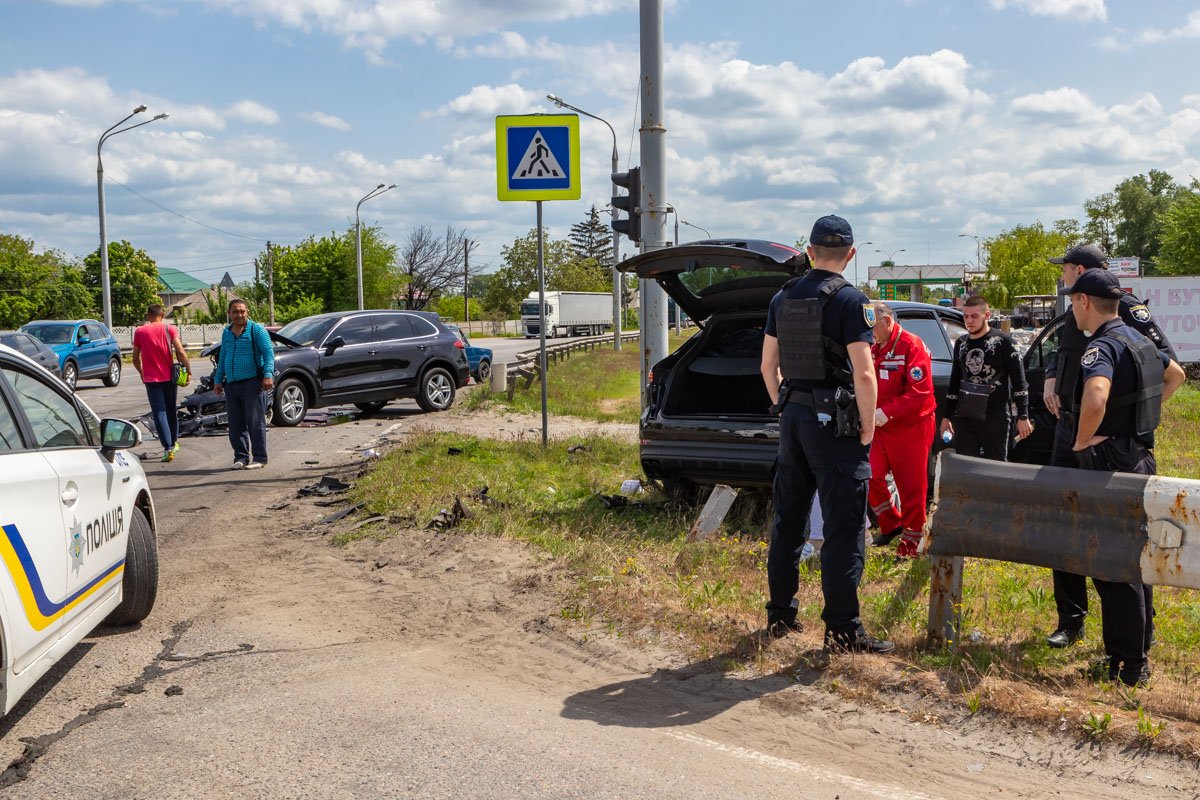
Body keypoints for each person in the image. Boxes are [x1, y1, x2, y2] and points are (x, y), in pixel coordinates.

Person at [760, 214, 893, 653]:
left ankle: (780, 614)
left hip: (793, 420)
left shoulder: (781, 297)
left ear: (810, 251)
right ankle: (843, 630)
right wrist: (867, 427)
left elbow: (767, 366)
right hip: (835, 426)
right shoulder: (853, 301)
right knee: (843, 526)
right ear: (851, 255)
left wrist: (784, 403)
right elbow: (865, 374)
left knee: (789, 520)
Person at [1042, 244, 1180, 649]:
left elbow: (1165, 365)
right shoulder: (1077, 313)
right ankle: (1071, 619)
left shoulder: (1124, 311)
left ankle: (1134, 634)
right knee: (1064, 523)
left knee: (1118, 541)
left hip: (1107, 439)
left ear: (1081, 272)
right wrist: (1050, 378)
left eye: (1065, 269)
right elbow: (1064, 353)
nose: (1063, 277)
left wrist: (1135, 416)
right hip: (1070, 429)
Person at [866, 302, 937, 558]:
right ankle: (891, 523)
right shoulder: (874, 346)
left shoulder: (911, 345)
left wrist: (887, 412)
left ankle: (911, 542)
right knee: (870, 474)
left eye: (871, 326)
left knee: (911, 487)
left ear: (887, 321)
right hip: (880, 425)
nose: (868, 332)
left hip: (911, 427)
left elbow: (921, 392)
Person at [941, 295, 1032, 461]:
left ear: (987, 315)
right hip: (966, 415)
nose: (969, 321)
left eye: (974, 316)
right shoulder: (961, 343)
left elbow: (1020, 382)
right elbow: (954, 383)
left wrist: (1023, 416)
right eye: (966, 316)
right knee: (966, 465)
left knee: (995, 467)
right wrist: (946, 417)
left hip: (995, 416)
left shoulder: (1004, 342)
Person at [213, 299, 274, 470]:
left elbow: (268, 353)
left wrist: (268, 375)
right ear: (229, 314)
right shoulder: (227, 332)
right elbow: (223, 357)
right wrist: (218, 380)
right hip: (232, 384)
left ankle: (260, 458)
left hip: (252, 382)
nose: (239, 315)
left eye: (242, 311)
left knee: (255, 422)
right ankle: (241, 457)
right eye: (235, 312)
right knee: (235, 424)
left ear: (247, 312)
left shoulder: (256, 330)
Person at [131, 304, 191, 462]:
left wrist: (142, 373)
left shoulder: (140, 331)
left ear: (148, 315)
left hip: (151, 379)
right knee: (171, 410)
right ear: (162, 315)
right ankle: (174, 442)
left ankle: (168, 448)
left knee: (159, 412)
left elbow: (135, 358)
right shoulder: (169, 329)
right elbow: (180, 351)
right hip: (170, 378)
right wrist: (188, 370)